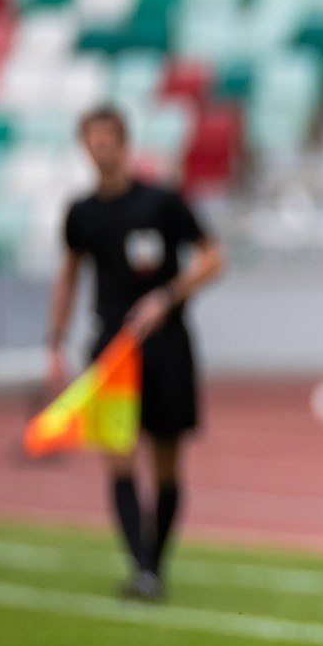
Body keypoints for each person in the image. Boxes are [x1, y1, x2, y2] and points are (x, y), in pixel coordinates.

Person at [46, 106, 225, 601]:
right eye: (93, 140)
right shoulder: (81, 214)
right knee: (118, 458)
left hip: (166, 344)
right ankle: (142, 569)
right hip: (112, 347)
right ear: (84, 147)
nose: (101, 147)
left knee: (167, 462)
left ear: (125, 142)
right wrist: (55, 341)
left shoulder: (162, 202)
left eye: (109, 138)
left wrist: (167, 297)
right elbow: (68, 276)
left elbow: (213, 257)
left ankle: (155, 564)